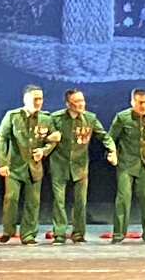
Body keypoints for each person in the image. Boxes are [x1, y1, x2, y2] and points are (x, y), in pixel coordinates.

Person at [49, 89, 117, 244]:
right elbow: (45, 138)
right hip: (59, 164)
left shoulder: (90, 119)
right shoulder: (55, 118)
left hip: (80, 166)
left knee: (80, 201)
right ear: (68, 104)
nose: (81, 104)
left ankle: (78, 234)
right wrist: (48, 139)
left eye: (82, 101)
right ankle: (59, 234)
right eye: (77, 101)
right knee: (59, 201)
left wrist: (112, 150)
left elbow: (104, 136)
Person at [0, 84, 60, 245]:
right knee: (11, 198)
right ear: (26, 99)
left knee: (33, 202)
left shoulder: (46, 118)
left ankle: (28, 235)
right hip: (14, 166)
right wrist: (3, 163)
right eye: (35, 99)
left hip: (34, 167)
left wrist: (44, 151)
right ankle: (8, 230)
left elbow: (54, 139)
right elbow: (2, 138)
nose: (39, 102)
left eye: (41, 99)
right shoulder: (12, 116)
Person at [109, 88, 145, 244]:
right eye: (140, 103)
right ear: (132, 102)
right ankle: (118, 234)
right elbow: (110, 138)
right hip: (126, 163)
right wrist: (111, 153)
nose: (144, 106)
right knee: (123, 199)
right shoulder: (122, 117)